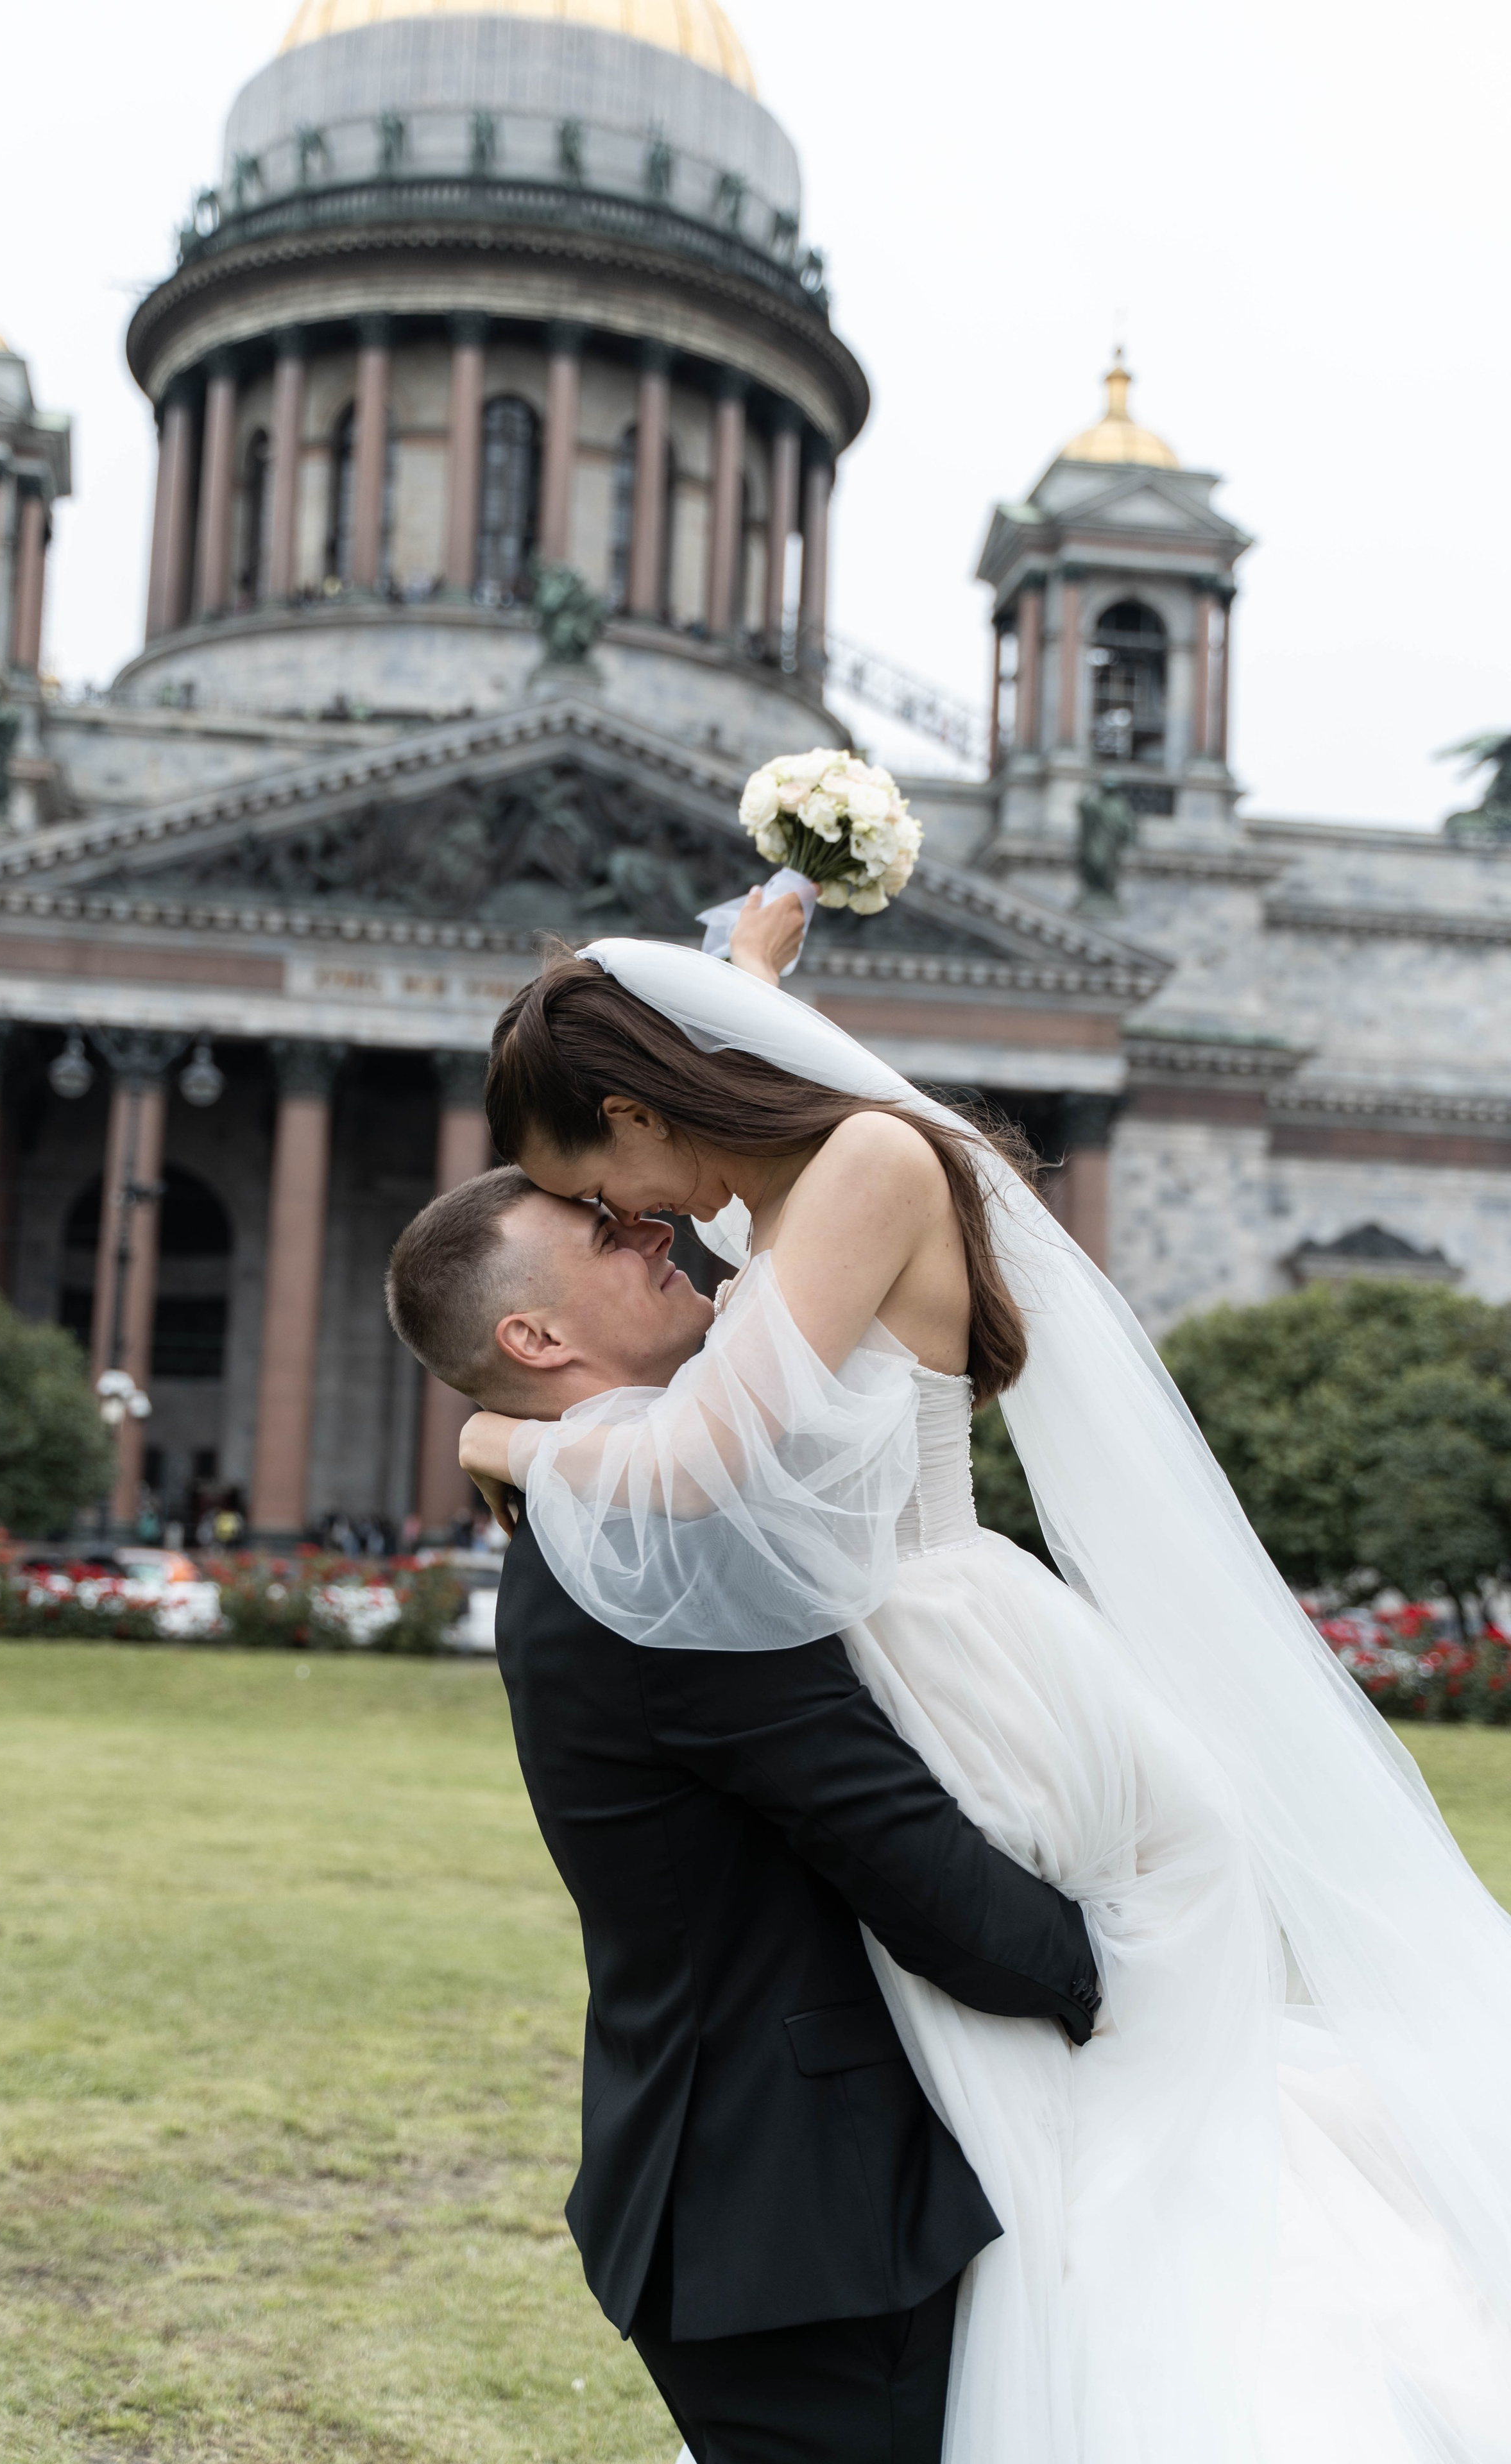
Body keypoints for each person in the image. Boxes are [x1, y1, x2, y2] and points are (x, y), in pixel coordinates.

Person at [454, 902, 1511, 2464]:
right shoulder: (795, 1203)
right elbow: (760, 1123)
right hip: (897, 1641)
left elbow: (702, 1453)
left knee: (1085, 2093)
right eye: (593, 1212)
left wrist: (508, 1440)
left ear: (629, 1112)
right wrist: (747, 977)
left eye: (596, 1178)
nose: (632, 1218)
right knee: (1043, 2120)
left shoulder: (864, 1170)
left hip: (950, 1647)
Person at [386, 1167, 1100, 2464]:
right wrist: (1121, 1983)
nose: (650, 1230)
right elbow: (900, 1854)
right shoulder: (656, 1558)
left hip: (765, 2189)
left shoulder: (621, 1511)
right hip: (801, 2215)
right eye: (605, 1236)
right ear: (534, 1342)